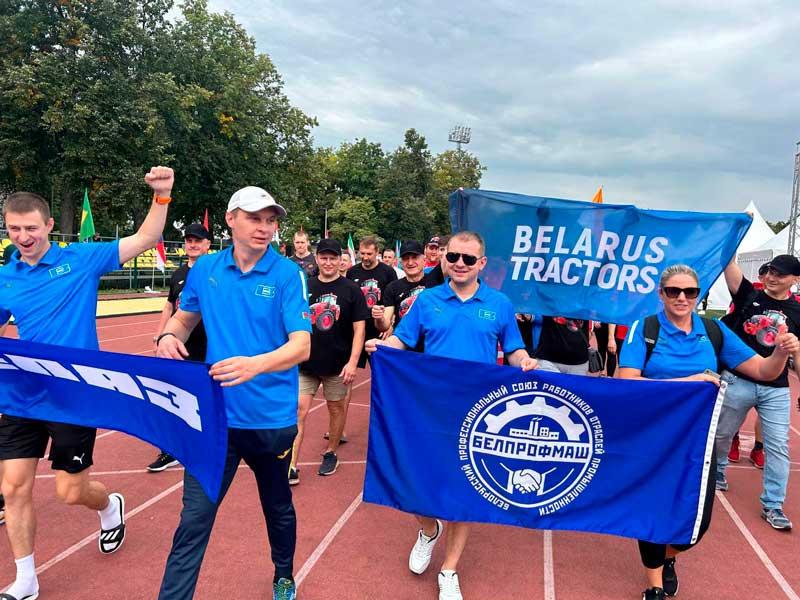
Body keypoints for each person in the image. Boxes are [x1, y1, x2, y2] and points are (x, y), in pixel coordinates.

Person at [0, 167, 174, 600]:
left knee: (70, 491)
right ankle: (26, 579)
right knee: (13, 488)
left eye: (31, 228)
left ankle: (109, 506)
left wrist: (162, 196)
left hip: (75, 395)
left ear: (49, 226)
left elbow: (146, 238)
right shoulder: (5, 278)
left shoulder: (81, 258)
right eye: (14, 229)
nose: (23, 237)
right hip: (23, 396)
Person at [155, 186, 310, 600]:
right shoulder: (206, 269)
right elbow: (184, 319)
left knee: (277, 505)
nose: (264, 227)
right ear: (230, 219)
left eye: (270, 220)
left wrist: (254, 364)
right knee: (193, 520)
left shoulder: (286, 274)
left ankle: (283, 574)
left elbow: (301, 345)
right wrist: (168, 336)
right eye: (255, 218)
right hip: (215, 419)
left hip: (269, 420)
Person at [366, 230, 538, 600]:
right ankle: (429, 530)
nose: (460, 264)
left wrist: (524, 361)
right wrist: (383, 345)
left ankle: (449, 569)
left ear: (482, 263)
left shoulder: (499, 304)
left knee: (464, 491)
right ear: (445, 259)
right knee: (413, 479)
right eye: (454, 256)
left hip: (477, 415)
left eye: (468, 259)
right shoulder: (427, 300)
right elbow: (402, 340)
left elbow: (514, 349)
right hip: (428, 409)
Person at [618, 264, 798, 600]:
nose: (682, 297)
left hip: (698, 442)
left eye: (690, 292)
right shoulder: (645, 328)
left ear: (698, 296)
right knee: (653, 511)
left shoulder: (714, 331)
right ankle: (653, 585)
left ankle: (669, 557)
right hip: (653, 440)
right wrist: (690, 382)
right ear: (661, 294)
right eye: (673, 291)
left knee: (698, 524)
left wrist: (780, 352)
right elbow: (626, 382)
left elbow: (763, 370)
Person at [714, 254, 800, 531]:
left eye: (780, 274)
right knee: (722, 434)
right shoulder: (749, 294)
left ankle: (773, 504)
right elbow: (728, 264)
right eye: (770, 271)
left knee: (778, 447)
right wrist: (733, 234)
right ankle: (718, 469)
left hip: (776, 388)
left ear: (795, 279)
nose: (772, 277)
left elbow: (798, 362)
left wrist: (796, 353)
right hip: (738, 380)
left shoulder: (798, 312)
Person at [290, 238, 367, 483]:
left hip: (337, 365)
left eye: (333, 258)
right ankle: (291, 464)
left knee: (336, 409)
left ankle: (331, 451)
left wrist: (353, 362)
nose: (328, 262)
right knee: (298, 410)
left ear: (339, 260)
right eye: (324, 258)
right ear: (317, 259)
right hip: (306, 363)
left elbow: (359, 329)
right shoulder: (306, 286)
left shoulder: (351, 289)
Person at [147, 222, 212, 473]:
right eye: (189, 241)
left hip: (209, 346)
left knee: (206, 398)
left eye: (197, 241)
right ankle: (171, 449)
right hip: (180, 347)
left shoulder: (215, 272)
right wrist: (161, 334)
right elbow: (169, 305)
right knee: (173, 396)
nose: (192, 245)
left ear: (208, 244)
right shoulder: (179, 274)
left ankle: (208, 443)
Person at [347, 235, 397, 367]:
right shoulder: (352, 272)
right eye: (362, 253)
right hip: (357, 326)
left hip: (378, 326)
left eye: (369, 254)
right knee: (351, 367)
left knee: (381, 367)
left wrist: (390, 325)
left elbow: (394, 300)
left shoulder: (388, 272)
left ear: (377, 252)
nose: (365, 257)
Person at [373, 241, 431, 346]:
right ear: (401, 262)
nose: (410, 262)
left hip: (431, 344)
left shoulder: (436, 282)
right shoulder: (392, 287)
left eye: (414, 257)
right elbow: (384, 326)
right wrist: (379, 318)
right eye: (406, 258)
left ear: (424, 259)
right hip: (403, 345)